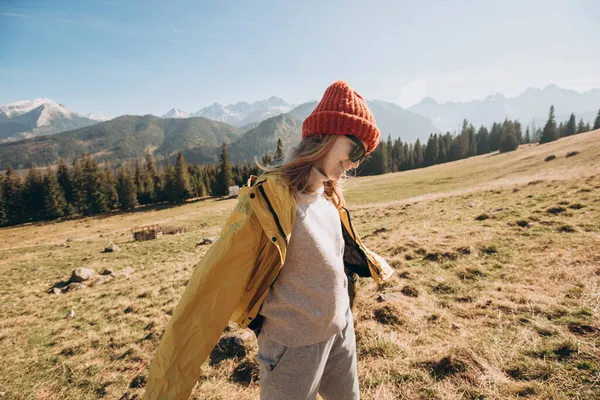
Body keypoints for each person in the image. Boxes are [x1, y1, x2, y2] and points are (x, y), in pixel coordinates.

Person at [143, 80, 394, 400]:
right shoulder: (268, 201)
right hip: (292, 347)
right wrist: (166, 388)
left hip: (340, 331)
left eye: (364, 155)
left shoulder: (329, 193)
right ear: (327, 137)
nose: (357, 163)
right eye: (356, 149)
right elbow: (210, 289)